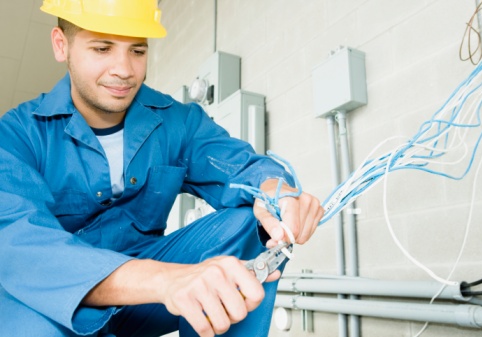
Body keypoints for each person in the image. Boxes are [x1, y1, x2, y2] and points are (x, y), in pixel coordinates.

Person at [0, 1, 323, 336]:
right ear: (61, 44)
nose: (124, 69)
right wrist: (163, 280)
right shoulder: (17, 134)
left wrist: (274, 191)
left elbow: (241, 168)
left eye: (137, 50)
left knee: (250, 223)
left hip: (147, 298)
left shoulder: (178, 122)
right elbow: (17, 243)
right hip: (60, 298)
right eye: (102, 48)